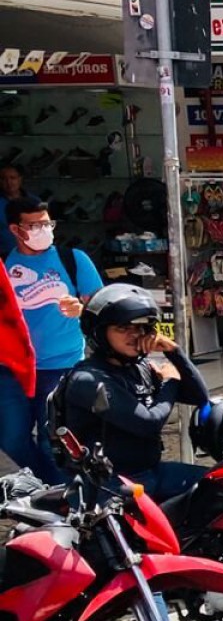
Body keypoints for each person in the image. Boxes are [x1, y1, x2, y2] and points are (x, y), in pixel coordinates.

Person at [58, 284, 211, 501]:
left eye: (141, 328)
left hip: (151, 472)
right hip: (110, 485)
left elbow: (199, 397)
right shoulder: (88, 380)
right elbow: (147, 424)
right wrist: (169, 381)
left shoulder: (140, 368)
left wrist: (174, 353)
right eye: (123, 328)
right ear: (100, 332)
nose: (135, 335)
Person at [2, 198, 102, 477]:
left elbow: (103, 310)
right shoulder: (4, 265)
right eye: (35, 225)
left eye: (47, 223)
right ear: (15, 229)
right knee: (11, 439)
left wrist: (81, 310)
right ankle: (49, 486)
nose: (43, 230)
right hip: (13, 369)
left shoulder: (73, 260)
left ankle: (61, 499)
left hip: (62, 365)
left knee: (54, 441)